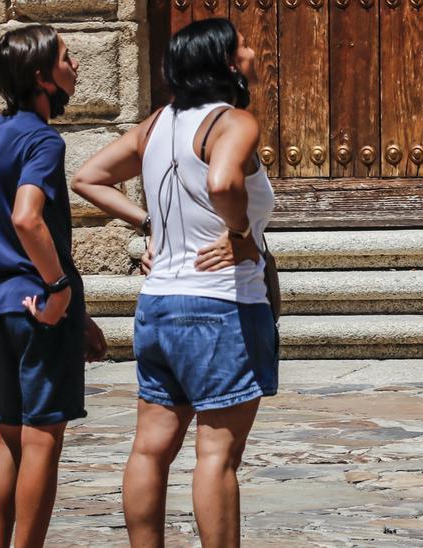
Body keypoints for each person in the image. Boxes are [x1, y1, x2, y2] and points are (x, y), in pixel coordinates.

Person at [72, 18, 277, 547]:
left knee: (150, 449)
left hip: (159, 303)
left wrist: (149, 224)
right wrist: (241, 235)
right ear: (226, 64)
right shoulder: (233, 122)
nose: (252, 52)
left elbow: (88, 177)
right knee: (217, 457)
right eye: (242, 46)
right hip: (220, 306)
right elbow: (222, 180)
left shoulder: (156, 123)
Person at [0, 24, 107, 548]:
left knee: (8, 435)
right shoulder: (44, 140)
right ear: (40, 77)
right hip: (38, 307)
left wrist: (80, 314)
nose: (75, 67)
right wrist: (60, 290)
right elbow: (29, 219)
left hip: (0, 306)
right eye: (67, 59)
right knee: (43, 439)